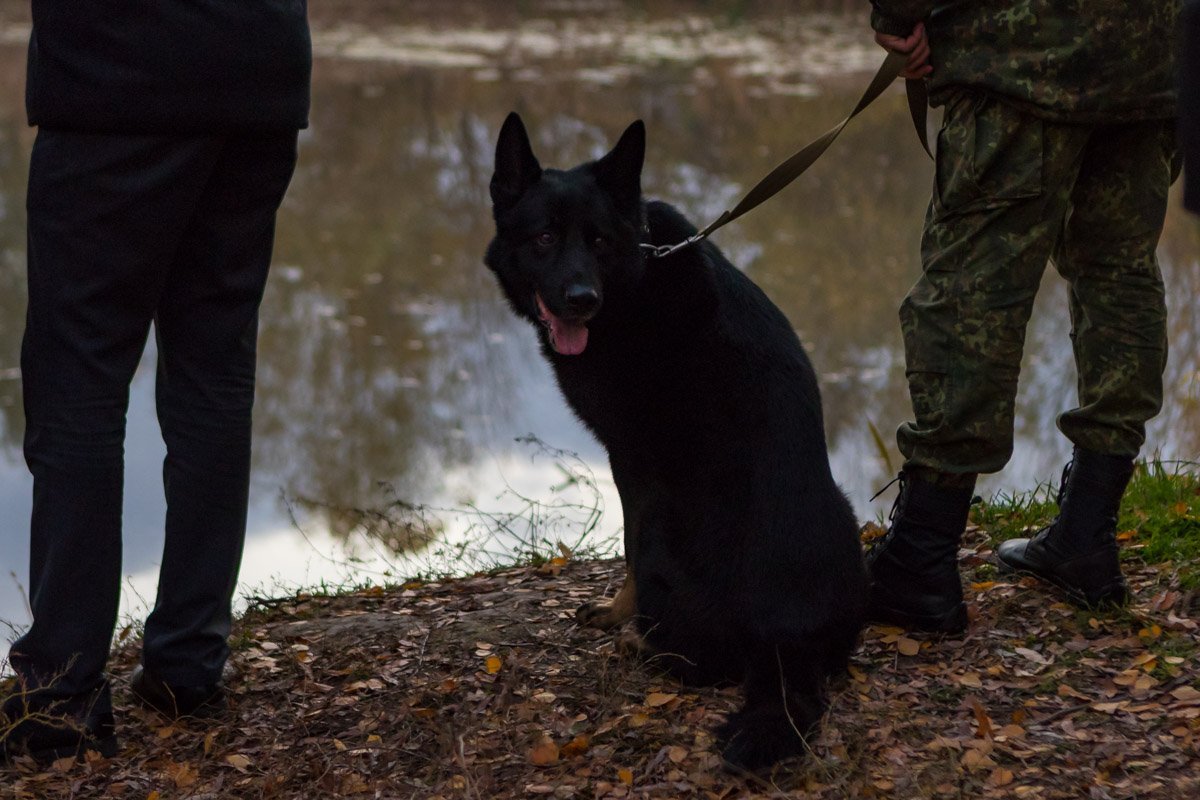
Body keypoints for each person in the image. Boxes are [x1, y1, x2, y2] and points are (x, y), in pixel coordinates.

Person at [1, 1, 311, 763]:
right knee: (214, 371)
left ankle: (62, 696)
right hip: (257, 71)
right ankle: (189, 664)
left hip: (117, 78)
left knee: (77, 380)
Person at [863, 1, 1182, 634]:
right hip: (1154, 52)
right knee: (1119, 273)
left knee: (975, 286)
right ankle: (1087, 531)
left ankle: (920, 557)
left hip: (1026, 51)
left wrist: (899, 14)